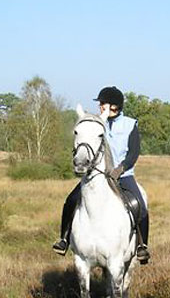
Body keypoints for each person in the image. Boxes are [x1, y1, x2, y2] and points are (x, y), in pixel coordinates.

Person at [52, 86, 150, 264]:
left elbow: (134, 153)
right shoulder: (96, 122)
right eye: (101, 104)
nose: (101, 107)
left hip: (124, 175)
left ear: (114, 106)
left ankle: (142, 246)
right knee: (70, 200)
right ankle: (64, 239)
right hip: (97, 175)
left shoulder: (130, 124)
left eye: (103, 103)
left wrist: (120, 169)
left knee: (140, 206)